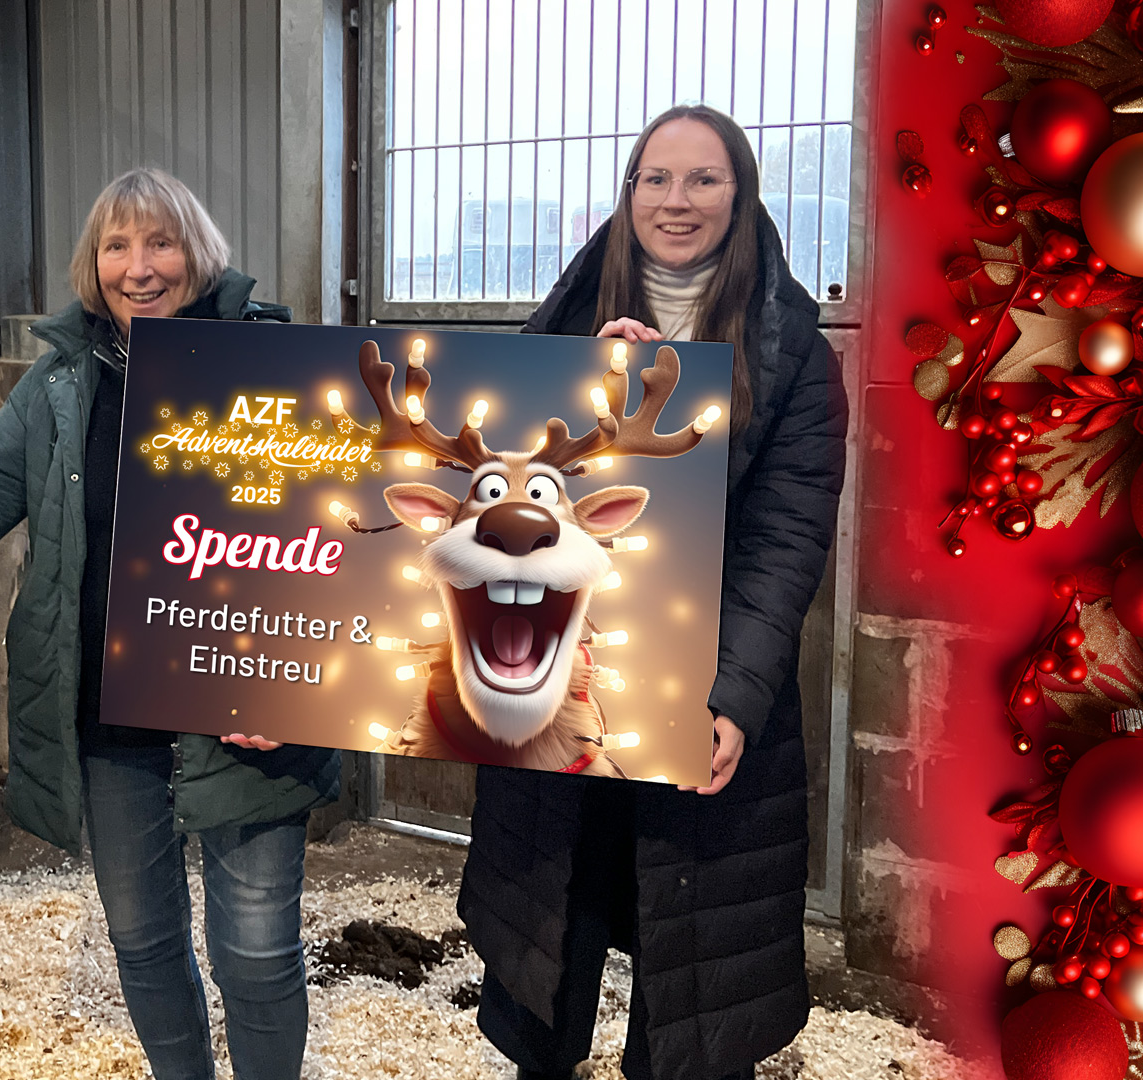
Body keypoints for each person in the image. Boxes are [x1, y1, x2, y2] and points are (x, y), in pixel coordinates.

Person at [0, 167, 340, 1080]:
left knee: (258, 951)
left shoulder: (270, 367)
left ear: (198, 253)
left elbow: (348, 541)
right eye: (117, 245)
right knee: (145, 940)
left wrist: (309, 684)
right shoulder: (57, 388)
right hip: (108, 713)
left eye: (160, 242)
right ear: (93, 263)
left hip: (245, 711)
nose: (139, 266)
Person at [457, 104, 848, 1080]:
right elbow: (491, 488)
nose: (677, 201)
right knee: (552, 944)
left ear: (740, 194)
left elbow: (786, 540)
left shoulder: (798, 354)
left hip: (699, 691)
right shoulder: (558, 331)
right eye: (656, 179)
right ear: (628, 194)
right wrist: (584, 387)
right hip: (565, 683)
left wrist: (738, 698)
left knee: (694, 992)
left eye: (703, 180)